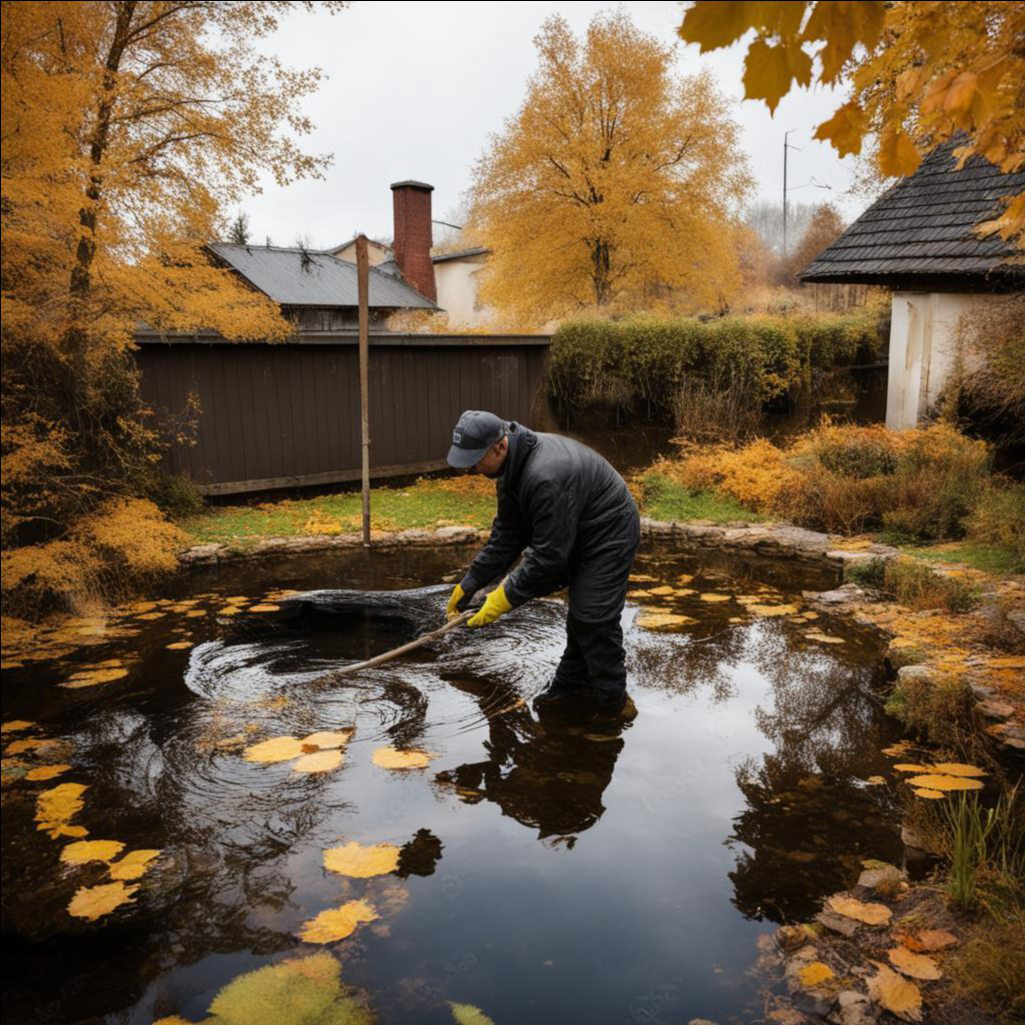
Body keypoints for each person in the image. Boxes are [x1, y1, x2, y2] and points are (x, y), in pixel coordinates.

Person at [444, 409, 641, 712]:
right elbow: (508, 535)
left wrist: (502, 599)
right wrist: (471, 583)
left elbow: (548, 558)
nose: (471, 468)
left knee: (593, 617)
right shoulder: (509, 470)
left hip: (608, 533)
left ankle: (614, 706)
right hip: (575, 529)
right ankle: (569, 688)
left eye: (475, 459)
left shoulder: (544, 476)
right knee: (582, 616)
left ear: (500, 445)